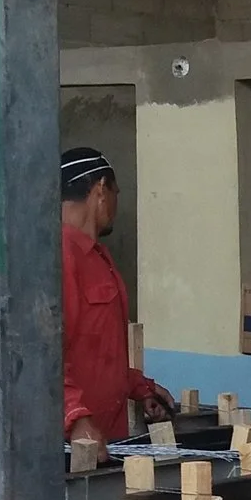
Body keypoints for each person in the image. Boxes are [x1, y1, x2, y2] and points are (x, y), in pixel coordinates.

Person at [60, 148, 177, 451]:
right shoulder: (58, 255)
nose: (116, 204)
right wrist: (75, 418)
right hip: (69, 448)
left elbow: (97, 353)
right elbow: (38, 357)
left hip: (103, 442)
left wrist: (140, 388)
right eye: (116, 193)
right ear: (101, 189)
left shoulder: (98, 257)